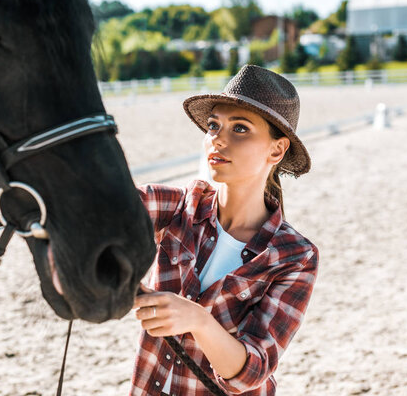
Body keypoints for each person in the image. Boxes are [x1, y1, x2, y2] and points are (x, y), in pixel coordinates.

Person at [130, 64, 319, 396]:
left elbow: (252, 372)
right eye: (214, 125)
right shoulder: (179, 208)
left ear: (277, 149)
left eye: (241, 128)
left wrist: (198, 320)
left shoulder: (295, 256)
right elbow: (103, 206)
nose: (218, 138)